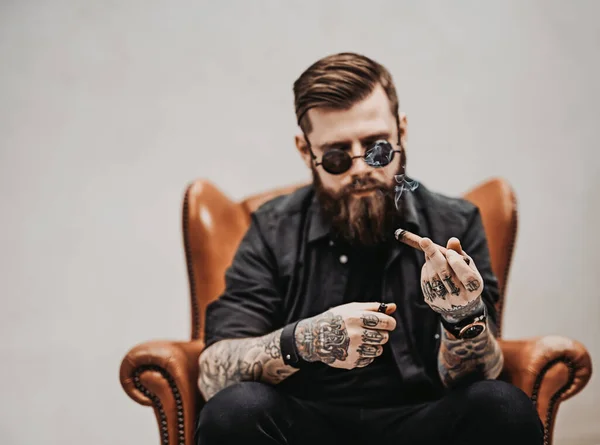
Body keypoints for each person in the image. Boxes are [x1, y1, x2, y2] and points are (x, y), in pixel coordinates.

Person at [194, 52, 543, 445]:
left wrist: (461, 316)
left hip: (423, 420)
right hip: (305, 422)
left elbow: (484, 377)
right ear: (306, 151)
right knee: (232, 412)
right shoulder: (274, 228)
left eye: (377, 149)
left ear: (402, 132)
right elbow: (212, 373)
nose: (361, 169)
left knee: (503, 408)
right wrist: (305, 340)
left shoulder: (454, 223)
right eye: (337, 156)